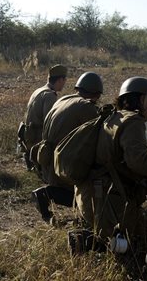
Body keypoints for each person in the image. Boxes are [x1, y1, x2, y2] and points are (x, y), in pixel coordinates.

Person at [74, 76, 147, 254]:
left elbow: (126, 167)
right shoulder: (133, 121)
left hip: (92, 194)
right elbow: (138, 162)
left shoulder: (114, 117)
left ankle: (95, 236)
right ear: (142, 98)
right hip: (105, 199)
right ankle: (85, 242)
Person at [32, 72, 104, 223]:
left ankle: (47, 194)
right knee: (89, 188)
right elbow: (100, 135)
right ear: (96, 94)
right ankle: (47, 194)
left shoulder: (63, 99)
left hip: (47, 158)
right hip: (63, 162)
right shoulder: (85, 106)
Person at [21, 64, 68, 171]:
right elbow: (50, 123)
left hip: (28, 137)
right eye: (64, 80)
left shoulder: (39, 90)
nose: (64, 83)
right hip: (36, 139)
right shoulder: (49, 95)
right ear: (60, 80)